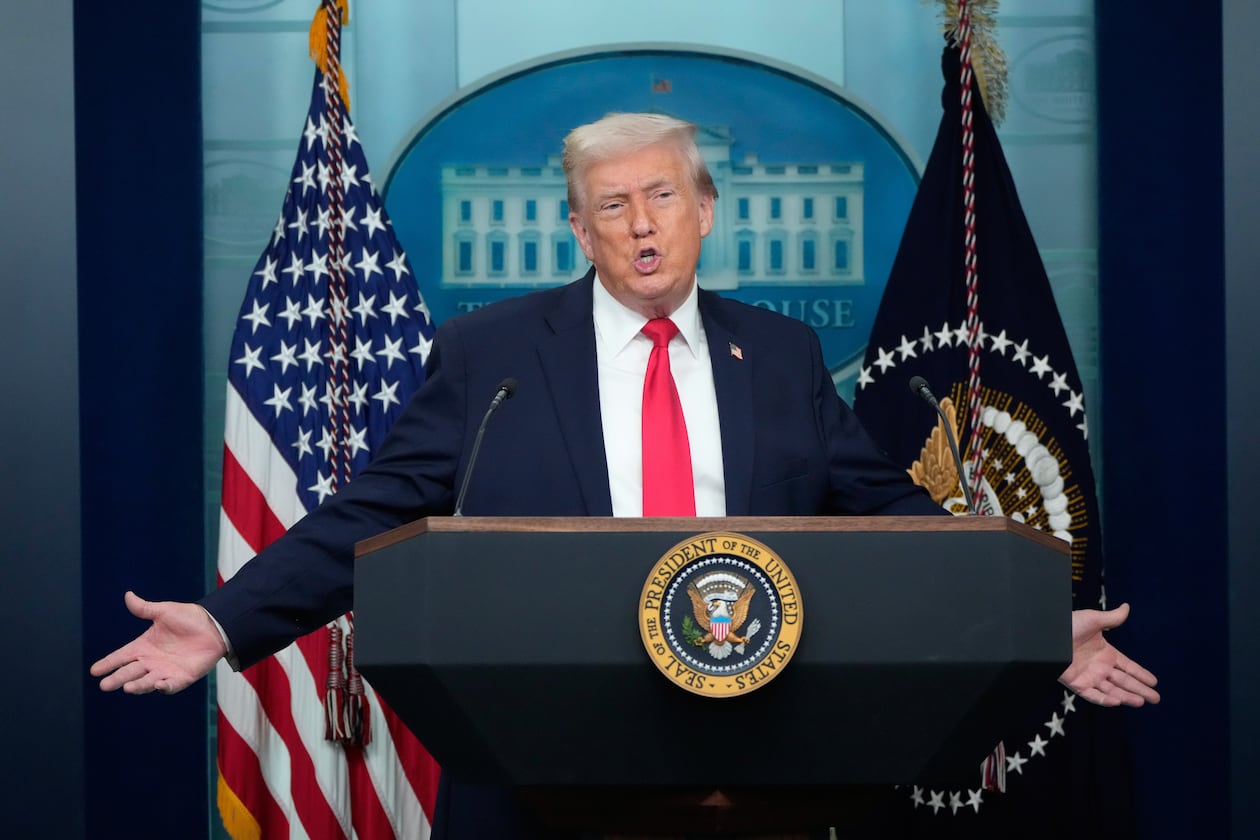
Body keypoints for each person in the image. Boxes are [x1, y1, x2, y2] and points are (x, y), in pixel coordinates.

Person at [91, 112, 1159, 836]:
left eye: (661, 196)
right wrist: (229, 621)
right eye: (611, 204)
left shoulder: (779, 355)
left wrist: (1026, 625)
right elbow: (371, 512)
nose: (641, 224)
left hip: (763, 778)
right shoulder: (490, 357)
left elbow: (892, 514)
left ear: (705, 210)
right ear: (578, 227)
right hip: (548, 778)